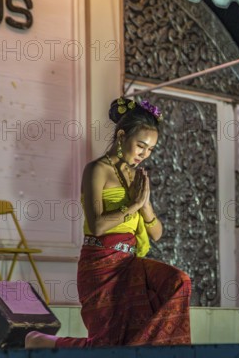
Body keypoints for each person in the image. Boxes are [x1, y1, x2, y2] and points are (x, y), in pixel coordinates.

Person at [26, 98, 192, 348]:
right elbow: (98, 226)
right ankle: (42, 341)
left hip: (130, 262)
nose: (144, 155)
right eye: (140, 146)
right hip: (100, 263)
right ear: (122, 136)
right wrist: (134, 205)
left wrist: (145, 206)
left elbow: (156, 233)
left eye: (150, 150)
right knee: (107, 345)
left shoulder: (137, 176)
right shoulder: (96, 170)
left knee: (179, 281)